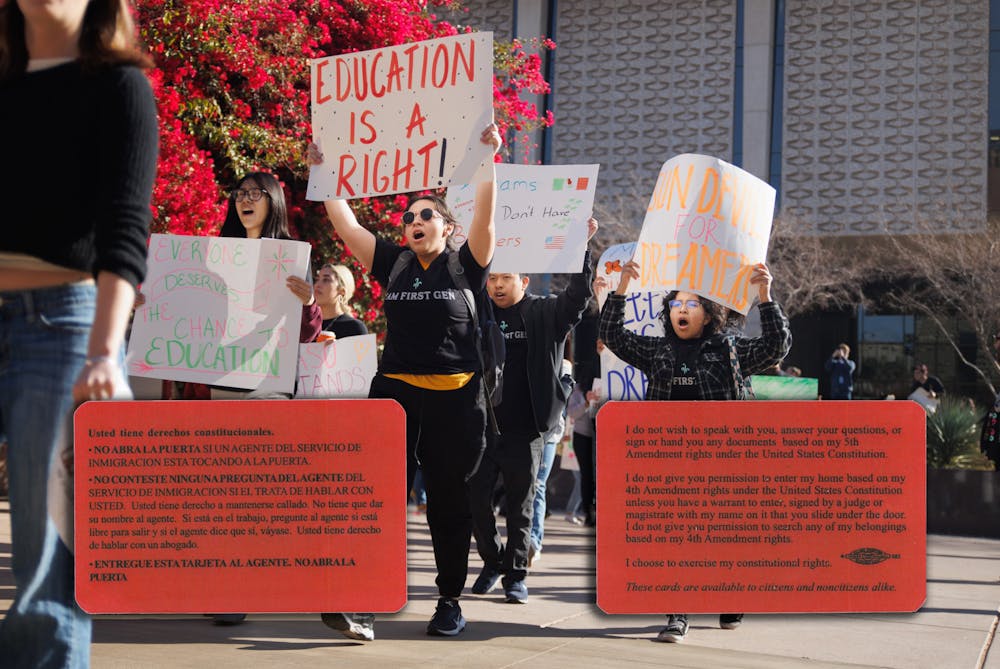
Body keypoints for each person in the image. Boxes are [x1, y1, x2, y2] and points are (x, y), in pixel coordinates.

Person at [0, 0, 158, 665]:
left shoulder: (119, 86)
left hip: (62, 330)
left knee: (47, 570)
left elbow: (125, 226)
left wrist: (104, 351)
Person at [309, 124, 501, 637]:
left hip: (456, 401)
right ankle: (364, 601)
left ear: (448, 227)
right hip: (394, 396)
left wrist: (488, 160)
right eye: (408, 217)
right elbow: (347, 224)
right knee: (377, 496)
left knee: (448, 503)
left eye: (425, 215)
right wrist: (323, 172)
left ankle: (449, 600)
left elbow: (485, 217)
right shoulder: (394, 263)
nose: (414, 221)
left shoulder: (466, 265)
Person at [598, 260, 792, 644]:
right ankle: (677, 613)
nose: (681, 310)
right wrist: (622, 288)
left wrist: (766, 296)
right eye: (676, 304)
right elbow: (613, 335)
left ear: (709, 313)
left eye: (691, 304)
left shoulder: (730, 349)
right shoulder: (657, 350)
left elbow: (776, 346)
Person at [207, 173, 321, 625]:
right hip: (222, 386)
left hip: (269, 386)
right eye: (240, 194)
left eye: (255, 193)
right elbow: (193, 312)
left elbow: (307, 333)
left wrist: (309, 302)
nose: (245, 200)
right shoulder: (215, 255)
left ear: (273, 201)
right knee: (222, 495)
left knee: (251, 496)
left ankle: (240, 589)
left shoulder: (292, 257)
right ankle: (224, 585)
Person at [470, 222, 596, 603]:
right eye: (493, 279)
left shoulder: (545, 313)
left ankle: (516, 575)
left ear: (524, 281)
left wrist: (581, 248)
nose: (497, 286)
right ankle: (493, 561)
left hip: (527, 429)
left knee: (521, 506)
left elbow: (577, 297)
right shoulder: (479, 314)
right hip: (483, 427)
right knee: (475, 501)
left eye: (505, 278)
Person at [528, 359, 574, 567]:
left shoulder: (564, 365)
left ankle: (534, 541)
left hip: (549, 434)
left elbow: (562, 399)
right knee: (525, 486)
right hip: (525, 431)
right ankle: (522, 540)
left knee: (538, 485)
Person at [314, 263, 367, 338]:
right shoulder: (305, 325)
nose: (317, 285)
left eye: (326, 280)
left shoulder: (355, 328)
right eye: (317, 279)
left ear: (342, 292)